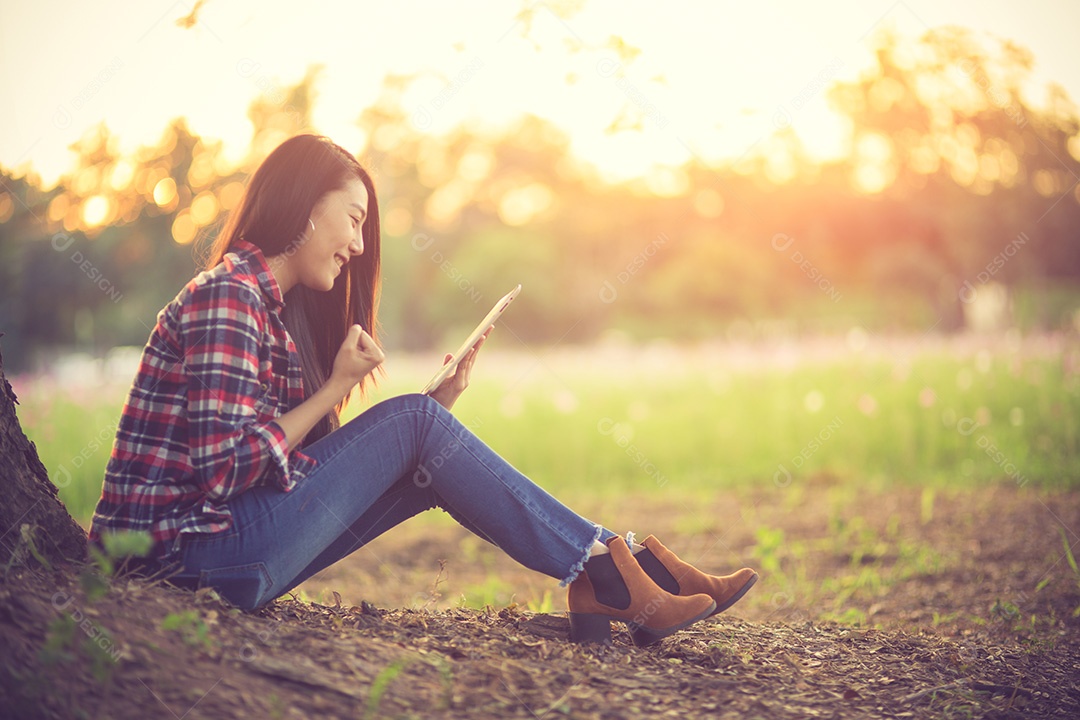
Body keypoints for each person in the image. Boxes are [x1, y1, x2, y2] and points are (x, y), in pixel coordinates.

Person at [88, 134, 757, 646]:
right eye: (350, 219)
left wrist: (433, 421)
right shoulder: (229, 297)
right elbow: (225, 466)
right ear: (302, 202)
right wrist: (341, 391)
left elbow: (288, 472)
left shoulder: (267, 313)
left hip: (217, 549)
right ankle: (618, 572)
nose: (356, 243)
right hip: (181, 558)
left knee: (422, 438)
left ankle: (617, 575)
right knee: (409, 424)